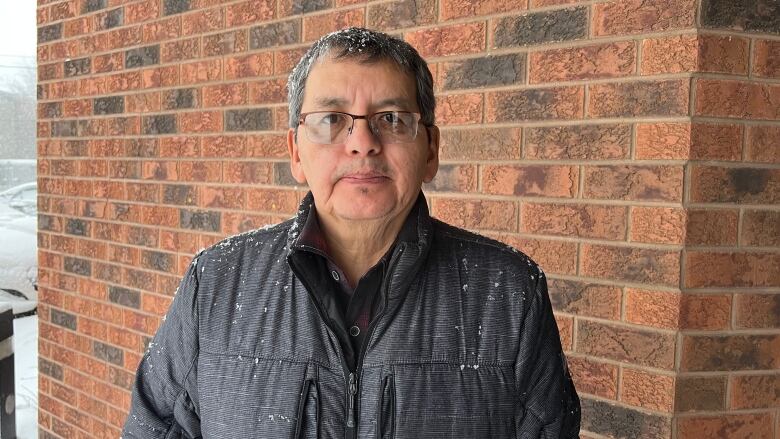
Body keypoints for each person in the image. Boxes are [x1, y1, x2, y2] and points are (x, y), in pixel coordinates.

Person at [122, 27, 580, 439]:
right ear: (296, 152)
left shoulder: (509, 294)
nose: (362, 141)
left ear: (431, 150)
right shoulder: (216, 284)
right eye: (331, 119)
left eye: (393, 118)